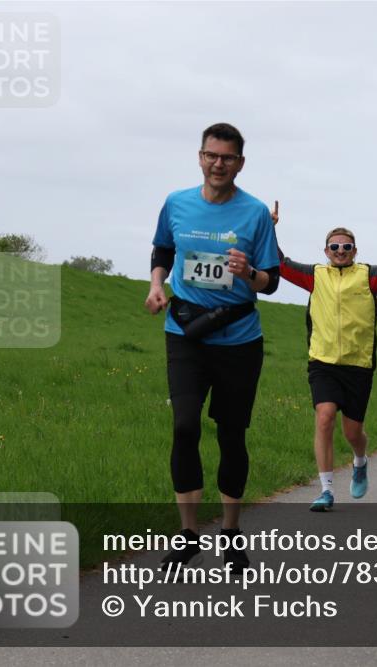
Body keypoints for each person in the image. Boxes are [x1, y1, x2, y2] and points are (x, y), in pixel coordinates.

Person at [146, 123, 280, 574]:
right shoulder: (176, 203)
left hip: (238, 339)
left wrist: (249, 274)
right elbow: (162, 249)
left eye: (227, 158)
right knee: (184, 427)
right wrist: (157, 285)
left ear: (240, 163)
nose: (218, 164)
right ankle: (187, 537)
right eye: (211, 155)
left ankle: (230, 533)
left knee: (230, 434)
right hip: (184, 332)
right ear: (199, 157)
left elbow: (272, 282)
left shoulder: (255, 213)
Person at [277, 205, 377, 511]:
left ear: (355, 250)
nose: (340, 251)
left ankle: (360, 460)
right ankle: (326, 490)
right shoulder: (315, 275)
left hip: (358, 365)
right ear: (326, 250)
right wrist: (270, 228)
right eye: (335, 247)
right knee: (325, 417)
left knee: (352, 432)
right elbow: (279, 263)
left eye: (346, 247)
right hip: (322, 362)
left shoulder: (368, 276)